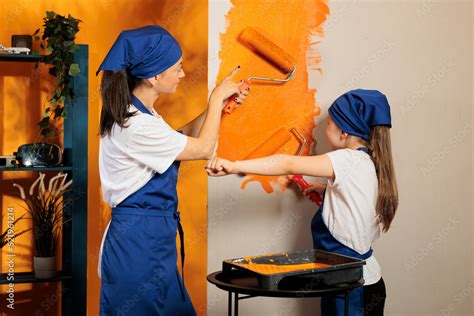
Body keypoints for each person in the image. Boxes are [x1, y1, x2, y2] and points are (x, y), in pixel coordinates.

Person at [96, 25, 247, 315]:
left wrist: (219, 108)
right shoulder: (136, 126)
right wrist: (215, 99)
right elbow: (202, 149)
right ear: (154, 76)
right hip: (137, 246)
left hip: (152, 240)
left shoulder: (142, 115)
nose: (182, 74)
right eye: (177, 69)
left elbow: (179, 139)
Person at [206, 89, 398, 316]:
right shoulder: (367, 162)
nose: (324, 127)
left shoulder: (346, 160)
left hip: (351, 287)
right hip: (364, 281)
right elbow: (357, 204)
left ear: (344, 132)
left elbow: (287, 164)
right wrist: (327, 192)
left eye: (329, 122)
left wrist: (235, 166)